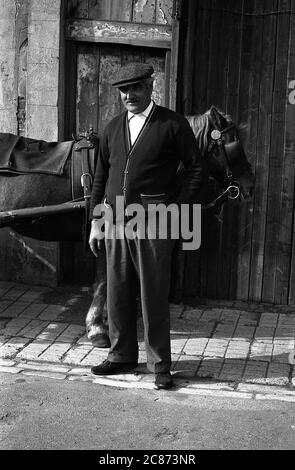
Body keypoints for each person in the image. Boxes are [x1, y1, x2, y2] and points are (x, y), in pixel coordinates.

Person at [88, 62, 204, 390]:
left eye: (135, 87)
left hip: (154, 224)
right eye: (123, 90)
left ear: (151, 86)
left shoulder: (172, 124)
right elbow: (101, 177)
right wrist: (96, 221)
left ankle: (160, 365)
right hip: (115, 221)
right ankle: (122, 355)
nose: (129, 95)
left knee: (152, 296)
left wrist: (176, 211)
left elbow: (197, 170)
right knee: (117, 293)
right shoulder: (111, 128)